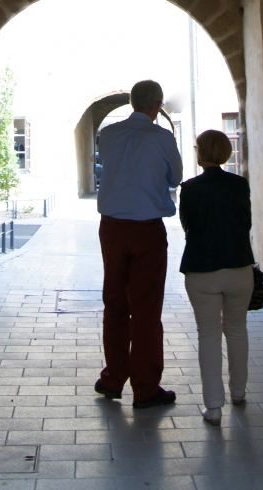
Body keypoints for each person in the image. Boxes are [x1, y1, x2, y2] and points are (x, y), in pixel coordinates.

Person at [95, 79, 183, 408]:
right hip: (147, 229)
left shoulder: (109, 134)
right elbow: (175, 177)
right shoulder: (162, 137)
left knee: (115, 304)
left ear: (132, 102)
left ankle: (113, 378)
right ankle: (145, 388)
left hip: (112, 227)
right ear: (157, 105)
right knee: (146, 310)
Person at [179, 129, 255, 426]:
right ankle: (238, 392)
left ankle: (213, 407)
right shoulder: (239, 185)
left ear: (201, 153)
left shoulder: (190, 188)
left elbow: (188, 226)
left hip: (202, 268)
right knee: (236, 330)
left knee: (208, 335)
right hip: (239, 266)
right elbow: (245, 222)